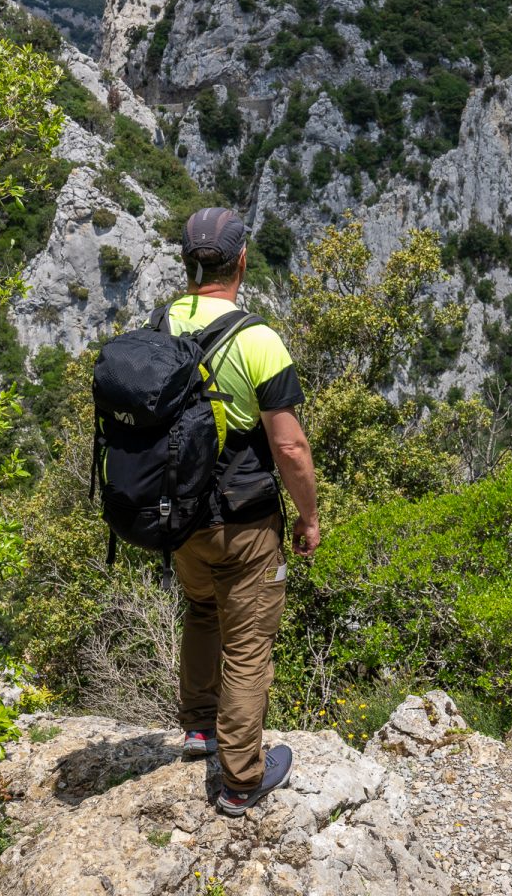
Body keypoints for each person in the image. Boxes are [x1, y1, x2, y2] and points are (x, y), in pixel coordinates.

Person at [160, 207, 321, 817]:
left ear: (187, 263)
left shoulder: (163, 321)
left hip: (181, 520)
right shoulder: (258, 339)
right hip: (246, 522)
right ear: (242, 261)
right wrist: (307, 518)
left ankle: (199, 730)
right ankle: (240, 780)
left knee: (201, 610)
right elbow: (289, 446)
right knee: (249, 646)